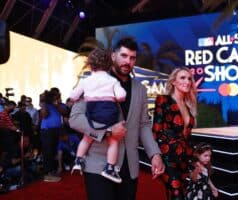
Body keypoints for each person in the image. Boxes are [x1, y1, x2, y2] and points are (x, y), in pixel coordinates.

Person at [69, 37, 165, 200]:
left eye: (132, 58)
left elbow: (143, 125)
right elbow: (75, 119)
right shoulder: (93, 81)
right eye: (124, 56)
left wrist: (154, 154)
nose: (128, 61)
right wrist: (107, 131)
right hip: (98, 164)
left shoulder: (140, 89)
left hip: (129, 167)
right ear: (113, 56)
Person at [69, 48, 126, 183]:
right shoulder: (112, 81)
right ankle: (110, 168)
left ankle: (78, 161)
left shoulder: (85, 80)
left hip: (92, 115)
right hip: (109, 116)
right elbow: (122, 96)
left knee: (86, 138)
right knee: (113, 141)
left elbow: (73, 96)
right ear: (109, 64)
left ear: (90, 64)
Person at [152, 67, 198, 199]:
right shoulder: (163, 100)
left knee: (180, 195)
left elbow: (187, 138)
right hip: (168, 159)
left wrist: (195, 162)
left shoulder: (188, 106)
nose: (187, 81)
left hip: (184, 160)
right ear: (174, 82)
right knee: (177, 194)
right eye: (182, 78)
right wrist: (156, 157)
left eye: (189, 78)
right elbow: (156, 132)